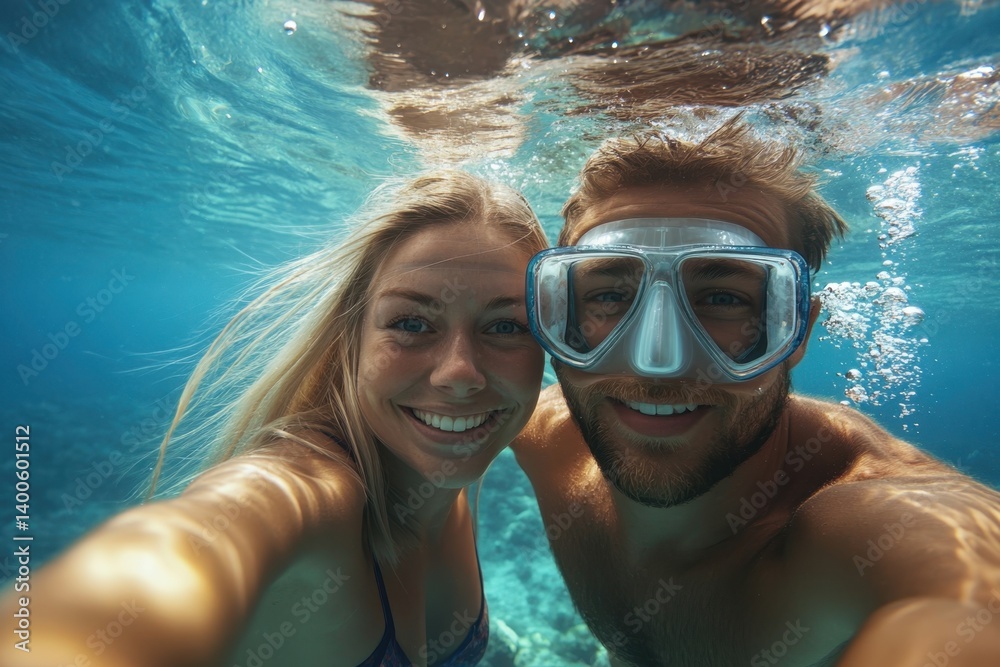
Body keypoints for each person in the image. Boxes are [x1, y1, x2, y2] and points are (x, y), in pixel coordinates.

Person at [2, 170, 546, 667]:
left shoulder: (480, 441)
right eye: (410, 322)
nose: (460, 374)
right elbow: (172, 560)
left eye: (506, 327)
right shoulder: (304, 493)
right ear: (349, 339)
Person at [513, 118, 1000, 667]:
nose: (659, 363)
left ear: (797, 330)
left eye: (722, 297)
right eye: (607, 294)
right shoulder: (535, 428)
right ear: (558, 318)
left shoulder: (864, 524)